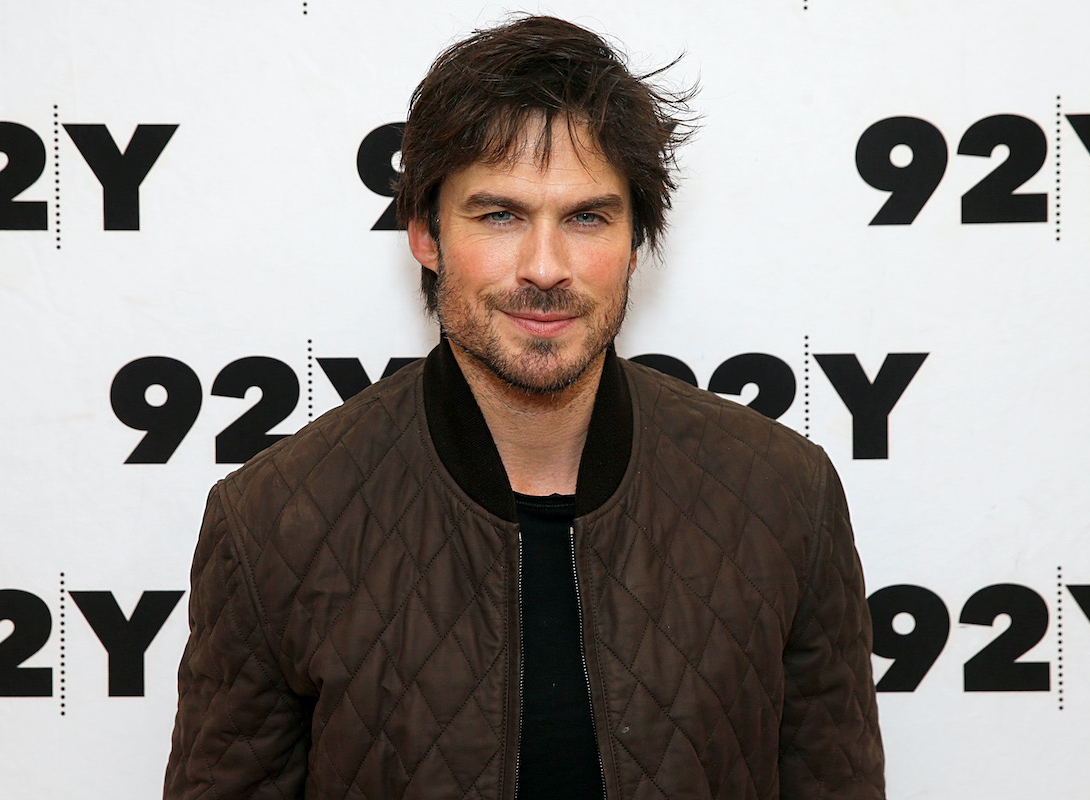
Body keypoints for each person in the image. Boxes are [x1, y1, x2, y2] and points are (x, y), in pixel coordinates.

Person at [164, 14, 885, 800]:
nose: (545, 268)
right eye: (499, 214)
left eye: (586, 217)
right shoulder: (274, 519)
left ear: (636, 242)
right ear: (424, 233)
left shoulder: (782, 496)